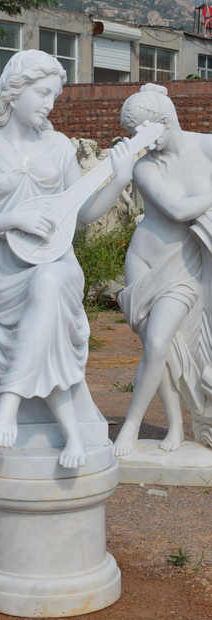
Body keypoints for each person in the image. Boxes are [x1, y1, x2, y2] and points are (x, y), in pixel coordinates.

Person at [0, 50, 135, 468]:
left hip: (57, 262)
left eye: (54, 96)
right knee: (45, 290)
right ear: (14, 92)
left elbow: (83, 213)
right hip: (4, 270)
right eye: (42, 93)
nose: (49, 104)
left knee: (50, 281)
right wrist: (15, 219)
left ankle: (10, 402)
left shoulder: (58, 147)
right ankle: (70, 430)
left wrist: (119, 178)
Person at [114, 84, 212, 456]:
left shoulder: (206, 147)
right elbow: (177, 210)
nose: (142, 141)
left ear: (165, 119)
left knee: (159, 342)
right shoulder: (144, 167)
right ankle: (174, 425)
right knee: (161, 350)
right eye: (133, 134)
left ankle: (131, 424)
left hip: (183, 265)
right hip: (143, 261)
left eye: (145, 131)